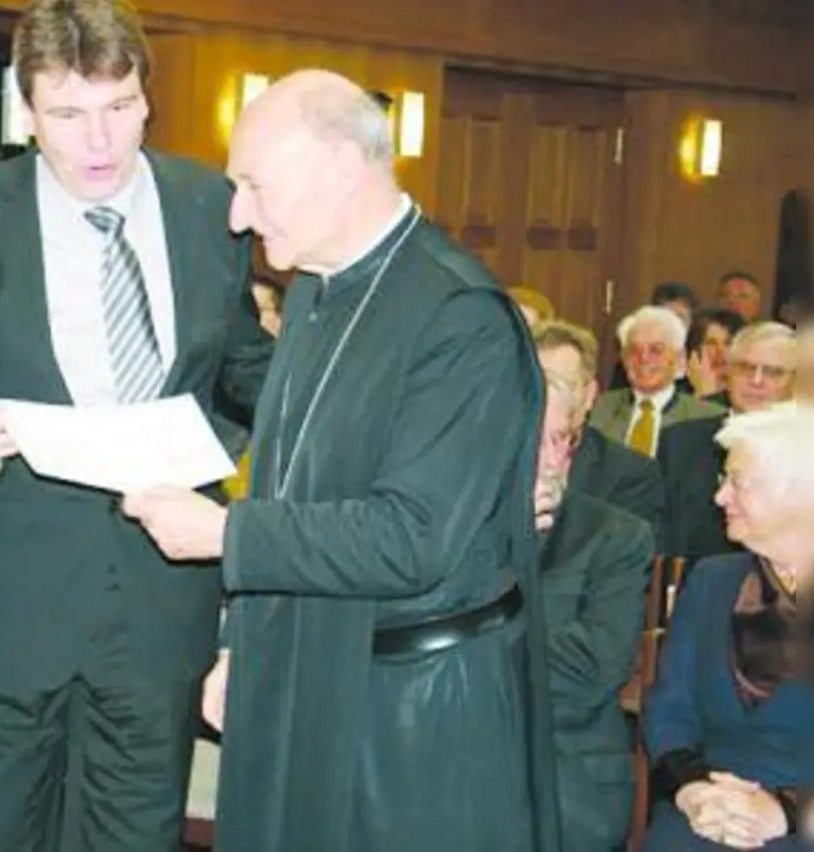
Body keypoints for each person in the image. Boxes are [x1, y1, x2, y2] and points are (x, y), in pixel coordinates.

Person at [123, 69, 560, 851]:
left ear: (340, 164)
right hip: (309, 673)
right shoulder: (315, 296)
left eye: (254, 184)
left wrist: (225, 536)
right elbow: (294, 489)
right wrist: (238, 648)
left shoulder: (460, 317)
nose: (236, 214)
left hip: (414, 716)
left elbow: (411, 538)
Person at [0, 0, 272, 852]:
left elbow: (244, 363)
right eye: (69, 114)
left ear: (147, 93)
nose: (100, 138)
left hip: (158, 603)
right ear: (27, 109)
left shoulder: (206, 206)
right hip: (10, 609)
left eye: (120, 105)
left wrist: (341, 401)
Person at [644, 403, 814, 850]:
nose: (719, 497)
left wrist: (787, 811)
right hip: (719, 808)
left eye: (736, 481)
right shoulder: (713, 580)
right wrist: (694, 791)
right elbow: (671, 710)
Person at [535, 368, 653, 852]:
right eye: (529, 441)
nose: (549, 461)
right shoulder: (446, 532)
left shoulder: (614, 535)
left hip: (566, 774)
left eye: (561, 439)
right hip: (445, 771)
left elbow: (596, 666)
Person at [660, 323, 797, 562]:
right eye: (745, 368)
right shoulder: (679, 442)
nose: (756, 380)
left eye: (773, 372)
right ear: (728, 374)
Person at [533, 320, 666, 549]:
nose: (548, 397)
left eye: (561, 385)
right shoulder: (488, 460)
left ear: (589, 395)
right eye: (536, 383)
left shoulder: (629, 474)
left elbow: (617, 559)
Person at [590, 305, 723, 456]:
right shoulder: (598, 409)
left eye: (656, 350)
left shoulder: (706, 417)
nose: (644, 359)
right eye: (634, 350)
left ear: (679, 358)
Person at [685, 307, 749, 402]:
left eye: (728, 343)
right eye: (711, 343)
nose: (720, 350)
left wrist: (707, 395)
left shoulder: (751, 398)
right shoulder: (677, 396)